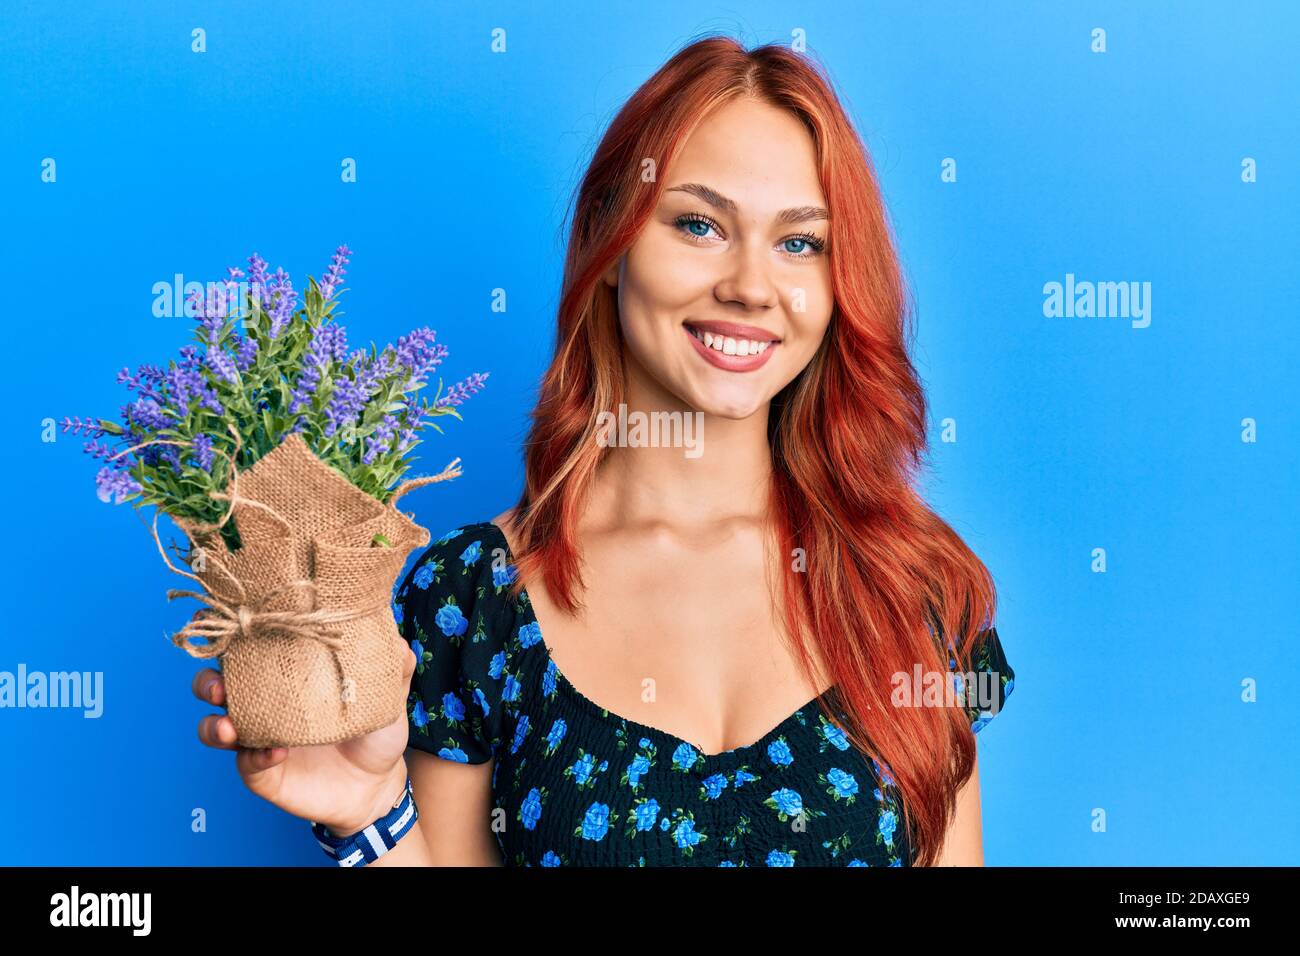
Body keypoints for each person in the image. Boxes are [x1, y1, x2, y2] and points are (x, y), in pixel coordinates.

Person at [192, 33, 1016, 867]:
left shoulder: (914, 588)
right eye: (700, 225)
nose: (752, 286)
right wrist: (369, 813)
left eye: (800, 242)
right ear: (611, 245)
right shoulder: (472, 599)